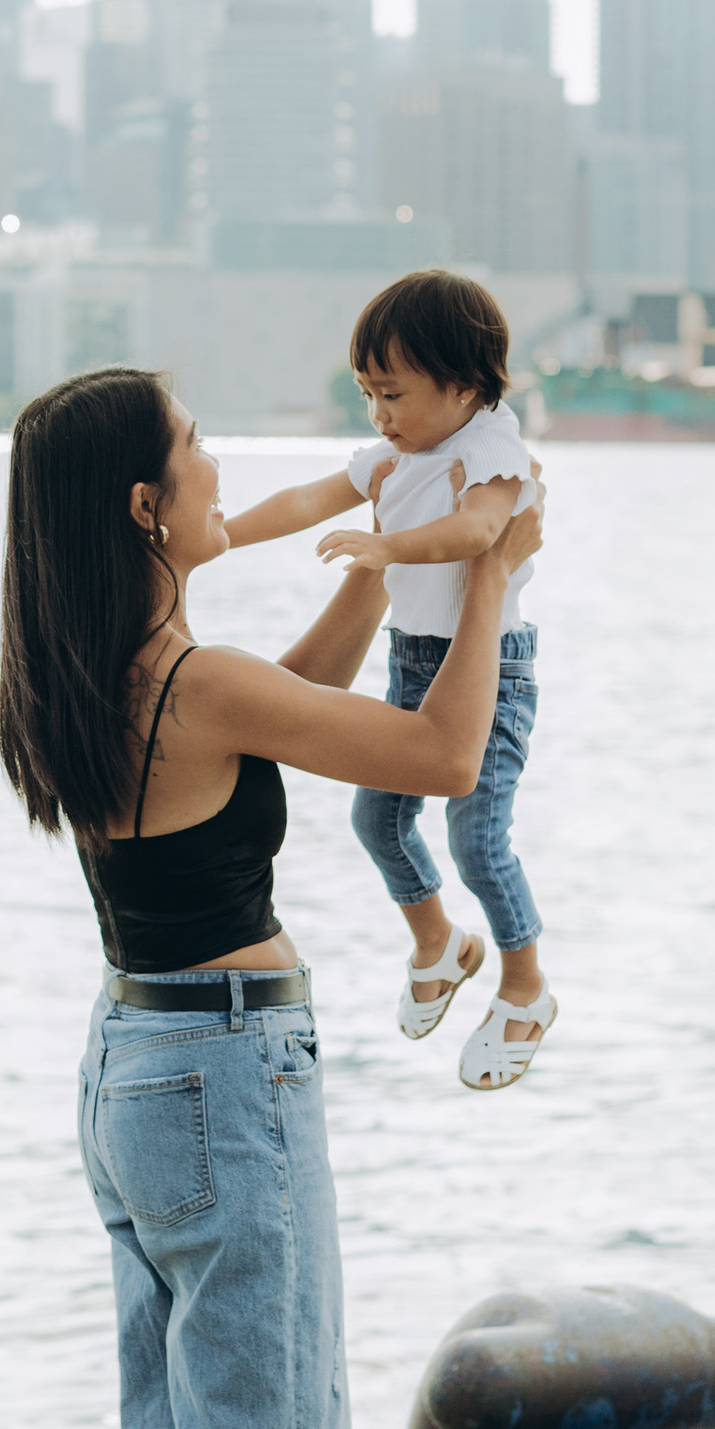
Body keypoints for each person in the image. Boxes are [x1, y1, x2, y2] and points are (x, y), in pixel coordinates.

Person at [0, 363, 540, 1429]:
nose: (224, 459)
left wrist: (376, 565)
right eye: (194, 449)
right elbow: (438, 761)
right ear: (148, 509)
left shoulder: (117, 666)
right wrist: (485, 572)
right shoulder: (193, 681)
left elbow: (304, 716)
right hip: (228, 1072)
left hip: (139, 1061)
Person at [223, 269, 551, 1091]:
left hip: (492, 673)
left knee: (477, 838)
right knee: (377, 820)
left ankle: (526, 985)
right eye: (368, 394)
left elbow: (478, 530)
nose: (379, 415)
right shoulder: (396, 455)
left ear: (465, 386)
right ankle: (440, 943)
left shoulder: (492, 453)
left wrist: (384, 549)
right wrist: (222, 537)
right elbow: (306, 499)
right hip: (414, 661)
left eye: (393, 394)